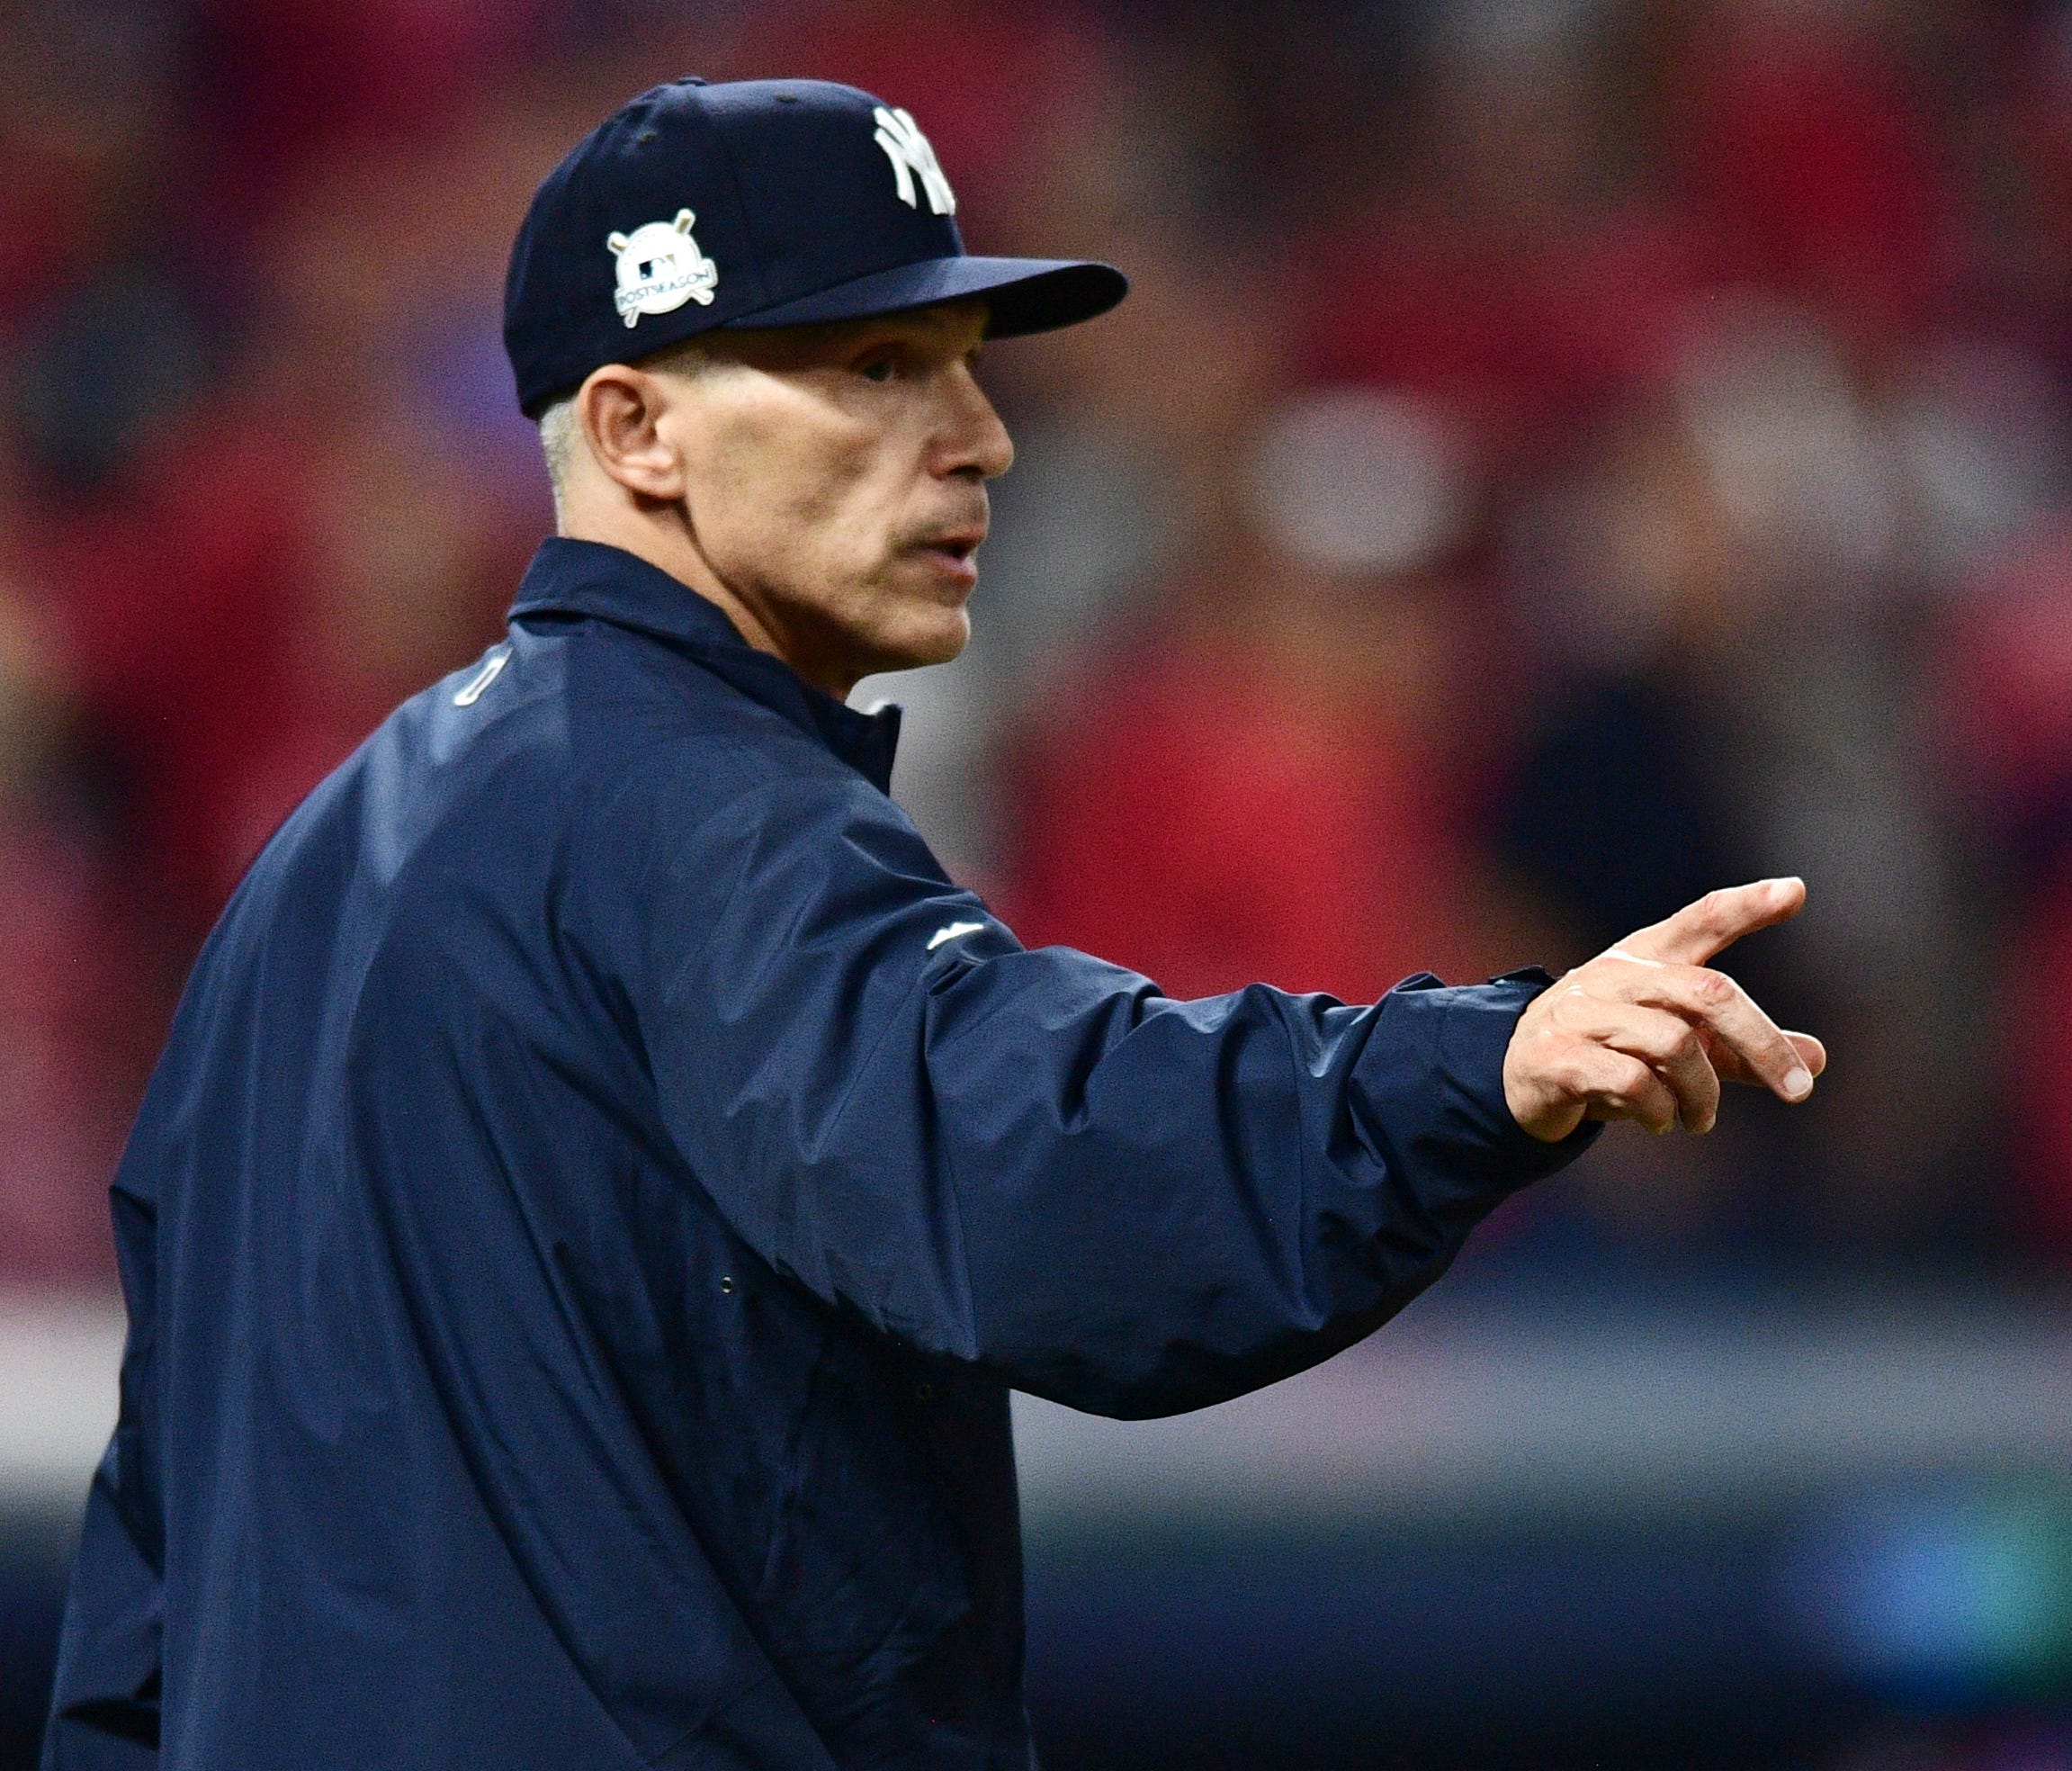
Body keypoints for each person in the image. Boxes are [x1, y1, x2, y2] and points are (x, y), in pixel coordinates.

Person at [41, 77, 1825, 1771]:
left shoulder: (317, 866)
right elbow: (1039, 1166)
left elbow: (148, 1595)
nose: (980, 438)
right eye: (878, 369)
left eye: (965, 365)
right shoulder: (697, 809)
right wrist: (1468, 1066)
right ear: (637, 430)